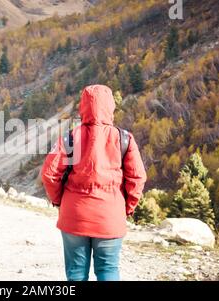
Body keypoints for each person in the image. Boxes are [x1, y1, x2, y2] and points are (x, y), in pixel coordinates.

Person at [41, 85, 147, 281]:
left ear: (83, 107)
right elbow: (137, 177)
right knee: (108, 270)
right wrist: (127, 207)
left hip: (74, 215)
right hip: (109, 216)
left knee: (76, 274)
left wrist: (59, 201)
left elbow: (49, 173)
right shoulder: (124, 139)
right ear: (110, 107)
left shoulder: (70, 138)